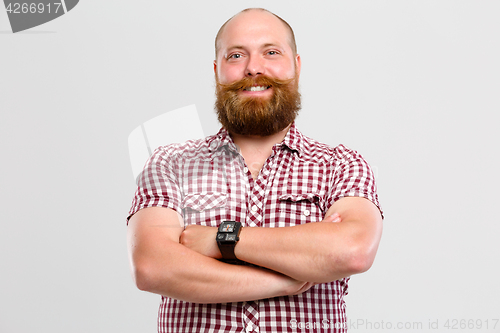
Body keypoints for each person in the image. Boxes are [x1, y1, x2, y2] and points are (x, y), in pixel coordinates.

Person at [127, 8, 383, 333]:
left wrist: (220, 239)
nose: (253, 68)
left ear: (297, 65)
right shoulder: (169, 163)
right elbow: (153, 267)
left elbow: (351, 251)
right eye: (236, 56)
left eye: (271, 52)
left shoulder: (341, 165)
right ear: (217, 70)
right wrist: (283, 281)